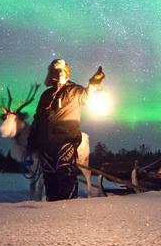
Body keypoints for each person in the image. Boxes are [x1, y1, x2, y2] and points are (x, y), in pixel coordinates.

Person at [28, 59, 105, 201]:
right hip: (46, 144)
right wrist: (31, 141)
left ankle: (68, 210)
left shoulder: (74, 91)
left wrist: (94, 82)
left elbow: (87, 94)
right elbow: (37, 119)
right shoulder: (46, 95)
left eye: (61, 71)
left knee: (65, 172)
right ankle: (53, 210)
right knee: (50, 177)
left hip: (66, 140)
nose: (59, 74)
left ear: (66, 72)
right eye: (55, 71)